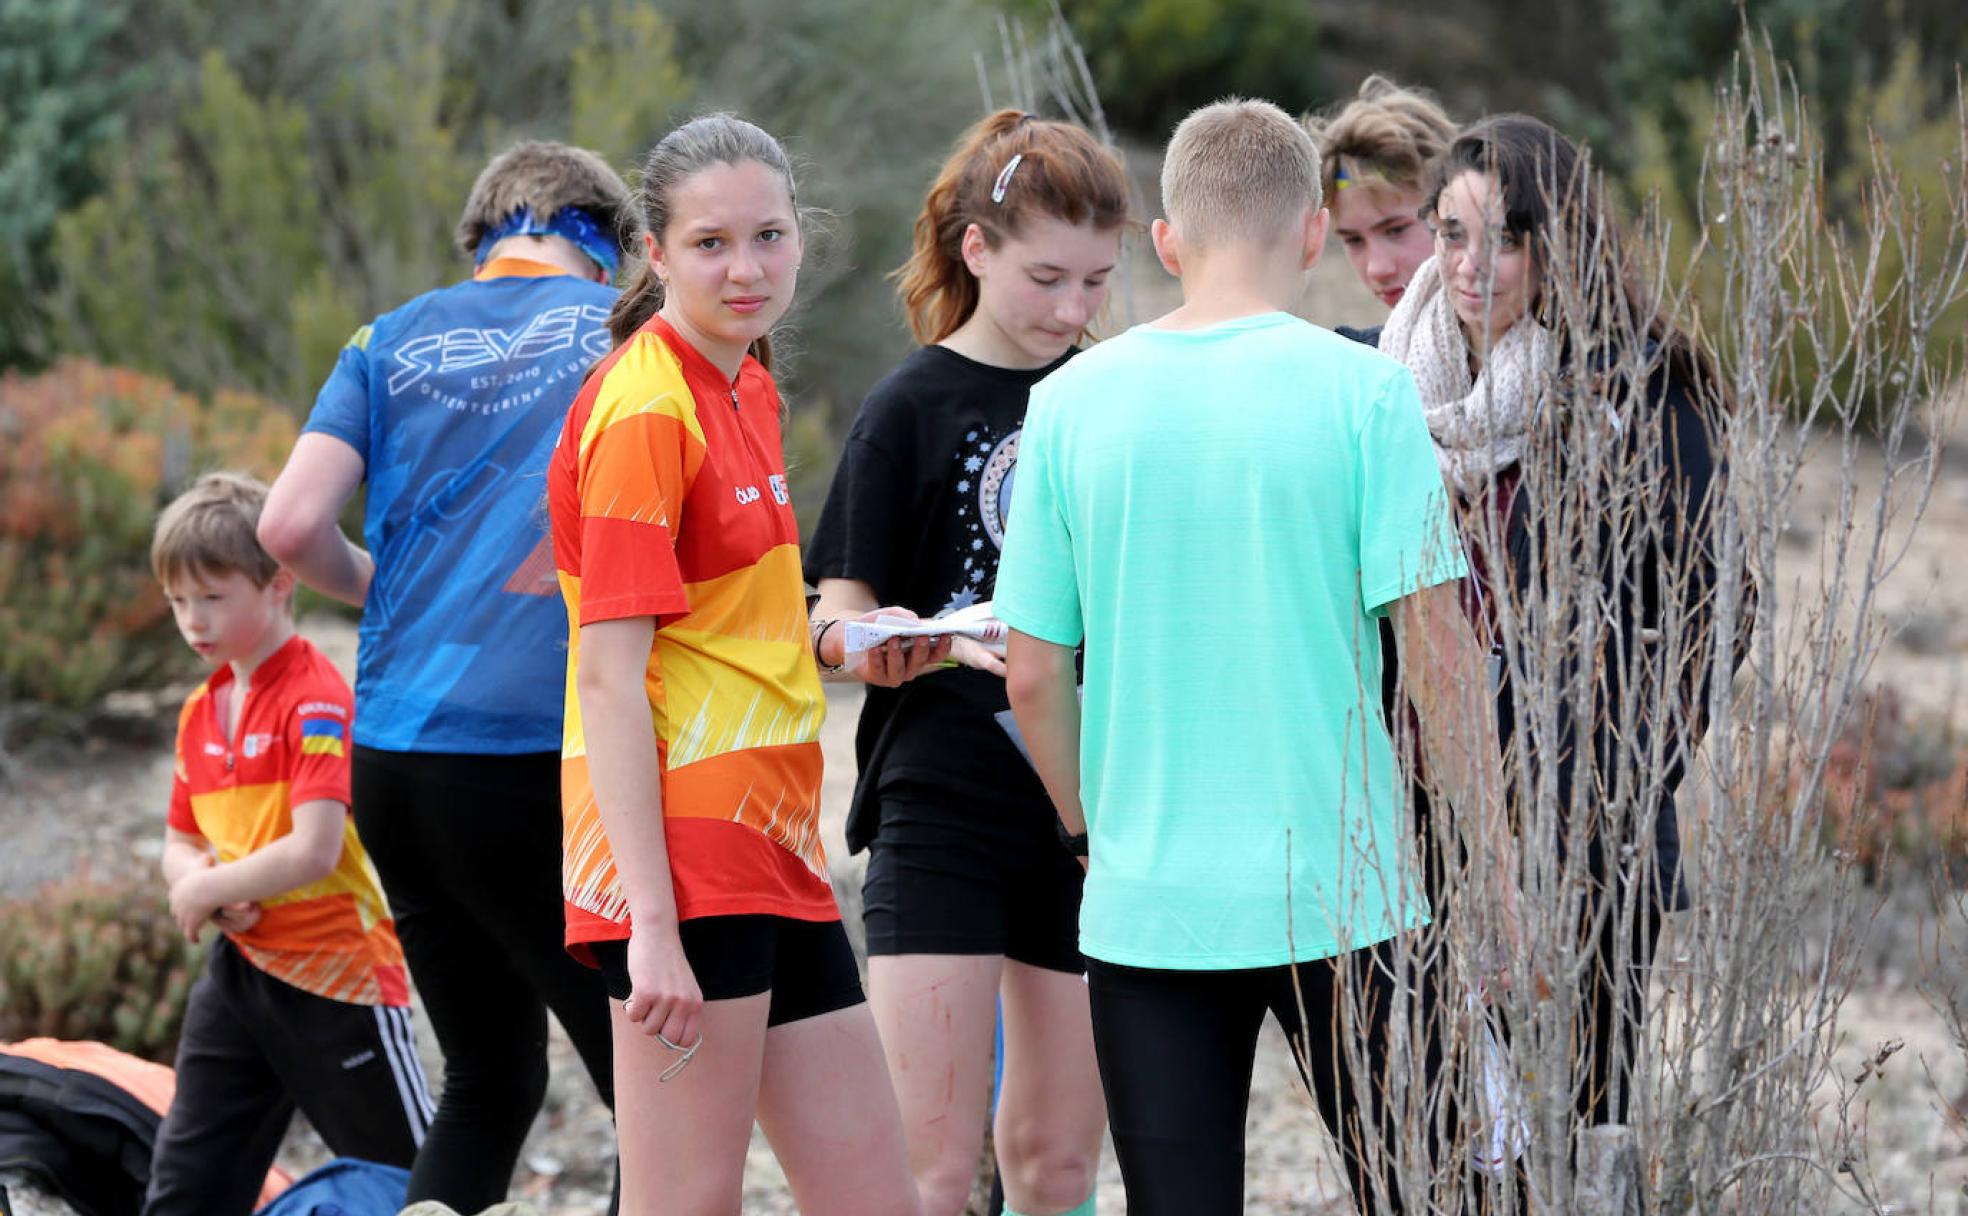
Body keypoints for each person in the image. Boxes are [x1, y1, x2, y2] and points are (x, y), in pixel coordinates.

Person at [996, 99, 1514, 1215]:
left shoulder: (1068, 404)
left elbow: (1033, 669)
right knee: (1422, 1193)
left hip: (1150, 895)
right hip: (1352, 892)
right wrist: (1504, 864)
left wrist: (1087, 828)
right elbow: (1439, 655)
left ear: (1167, 242)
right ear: (1317, 236)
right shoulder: (1368, 393)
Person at [549, 112, 943, 1215]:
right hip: (683, 857)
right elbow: (605, 680)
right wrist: (653, 929)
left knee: (876, 1198)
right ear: (656, 253)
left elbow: (736, 626)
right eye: (712, 243)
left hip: (780, 845)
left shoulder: (744, 381)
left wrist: (851, 635)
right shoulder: (645, 407)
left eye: (768, 235)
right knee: (684, 1203)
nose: (747, 267)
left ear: (802, 238)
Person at [258, 141, 625, 1210]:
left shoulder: (386, 338)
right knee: (651, 1091)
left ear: (480, 241)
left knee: (487, 1084)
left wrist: (383, 590)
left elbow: (285, 524)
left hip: (397, 756)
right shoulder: (619, 333)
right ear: (607, 244)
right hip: (531, 754)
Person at [1377, 113, 1732, 1131]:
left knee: (1585, 1130)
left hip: (1582, 836)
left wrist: (1615, 768)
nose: (1471, 266)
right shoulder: (1385, 393)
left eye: (1508, 237)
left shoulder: (1642, 387)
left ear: (1560, 240)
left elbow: (1717, 602)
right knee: (1439, 1138)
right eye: (1450, 233)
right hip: (1415, 821)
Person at [804, 109, 1124, 1216]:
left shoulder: (1113, 396)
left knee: (1059, 1163)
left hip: (1087, 805)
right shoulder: (909, 404)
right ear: (976, 249)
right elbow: (832, 610)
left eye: (1096, 282)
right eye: (1047, 277)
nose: (1073, 311)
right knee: (932, 1173)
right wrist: (881, 639)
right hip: (940, 802)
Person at [144, 472, 431, 1216]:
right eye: (178, 601)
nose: (192, 620)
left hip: (340, 982)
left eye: (212, 597)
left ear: (277, 584)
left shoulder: (315, 695)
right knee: (186, 1186)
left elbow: (314, 848)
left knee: (419, 1185)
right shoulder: (200, 714)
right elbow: (179, 840)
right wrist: (200, 877)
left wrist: (209, 886)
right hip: (240, 975)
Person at [1303, 75, 1458, 331]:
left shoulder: (1537, 345)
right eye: (1354, 240)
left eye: (1396, 230)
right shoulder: (1361, 361)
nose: (1378, 269)